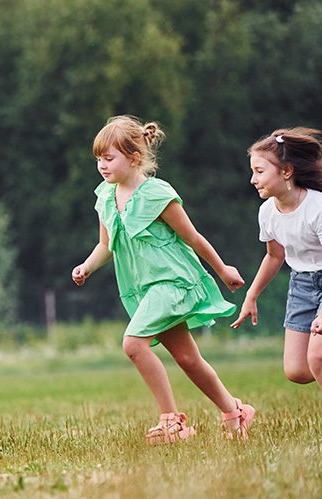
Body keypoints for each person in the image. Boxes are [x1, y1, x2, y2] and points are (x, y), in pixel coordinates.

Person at [71, 115, 255, 444]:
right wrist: (86, 266)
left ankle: (172, 422)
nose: (101, 165)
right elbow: (105, 245)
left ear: (134, 157)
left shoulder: (157, 194)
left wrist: (223, 269)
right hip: (141, 288)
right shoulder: (105, 197)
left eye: (108, 158)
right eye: (98, 158)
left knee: (133, 344)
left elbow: (193, 238)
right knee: (187, 358)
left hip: (171, 282)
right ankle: (234, 412)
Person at [231, 127, 322, 389]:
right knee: (297, 370)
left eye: (260, 171)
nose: (252, 179)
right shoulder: (267, 212)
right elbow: (274, 255)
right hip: (302, 285)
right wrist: (252, 295)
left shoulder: (316, 208)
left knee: (317, 356)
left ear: (286, 171)